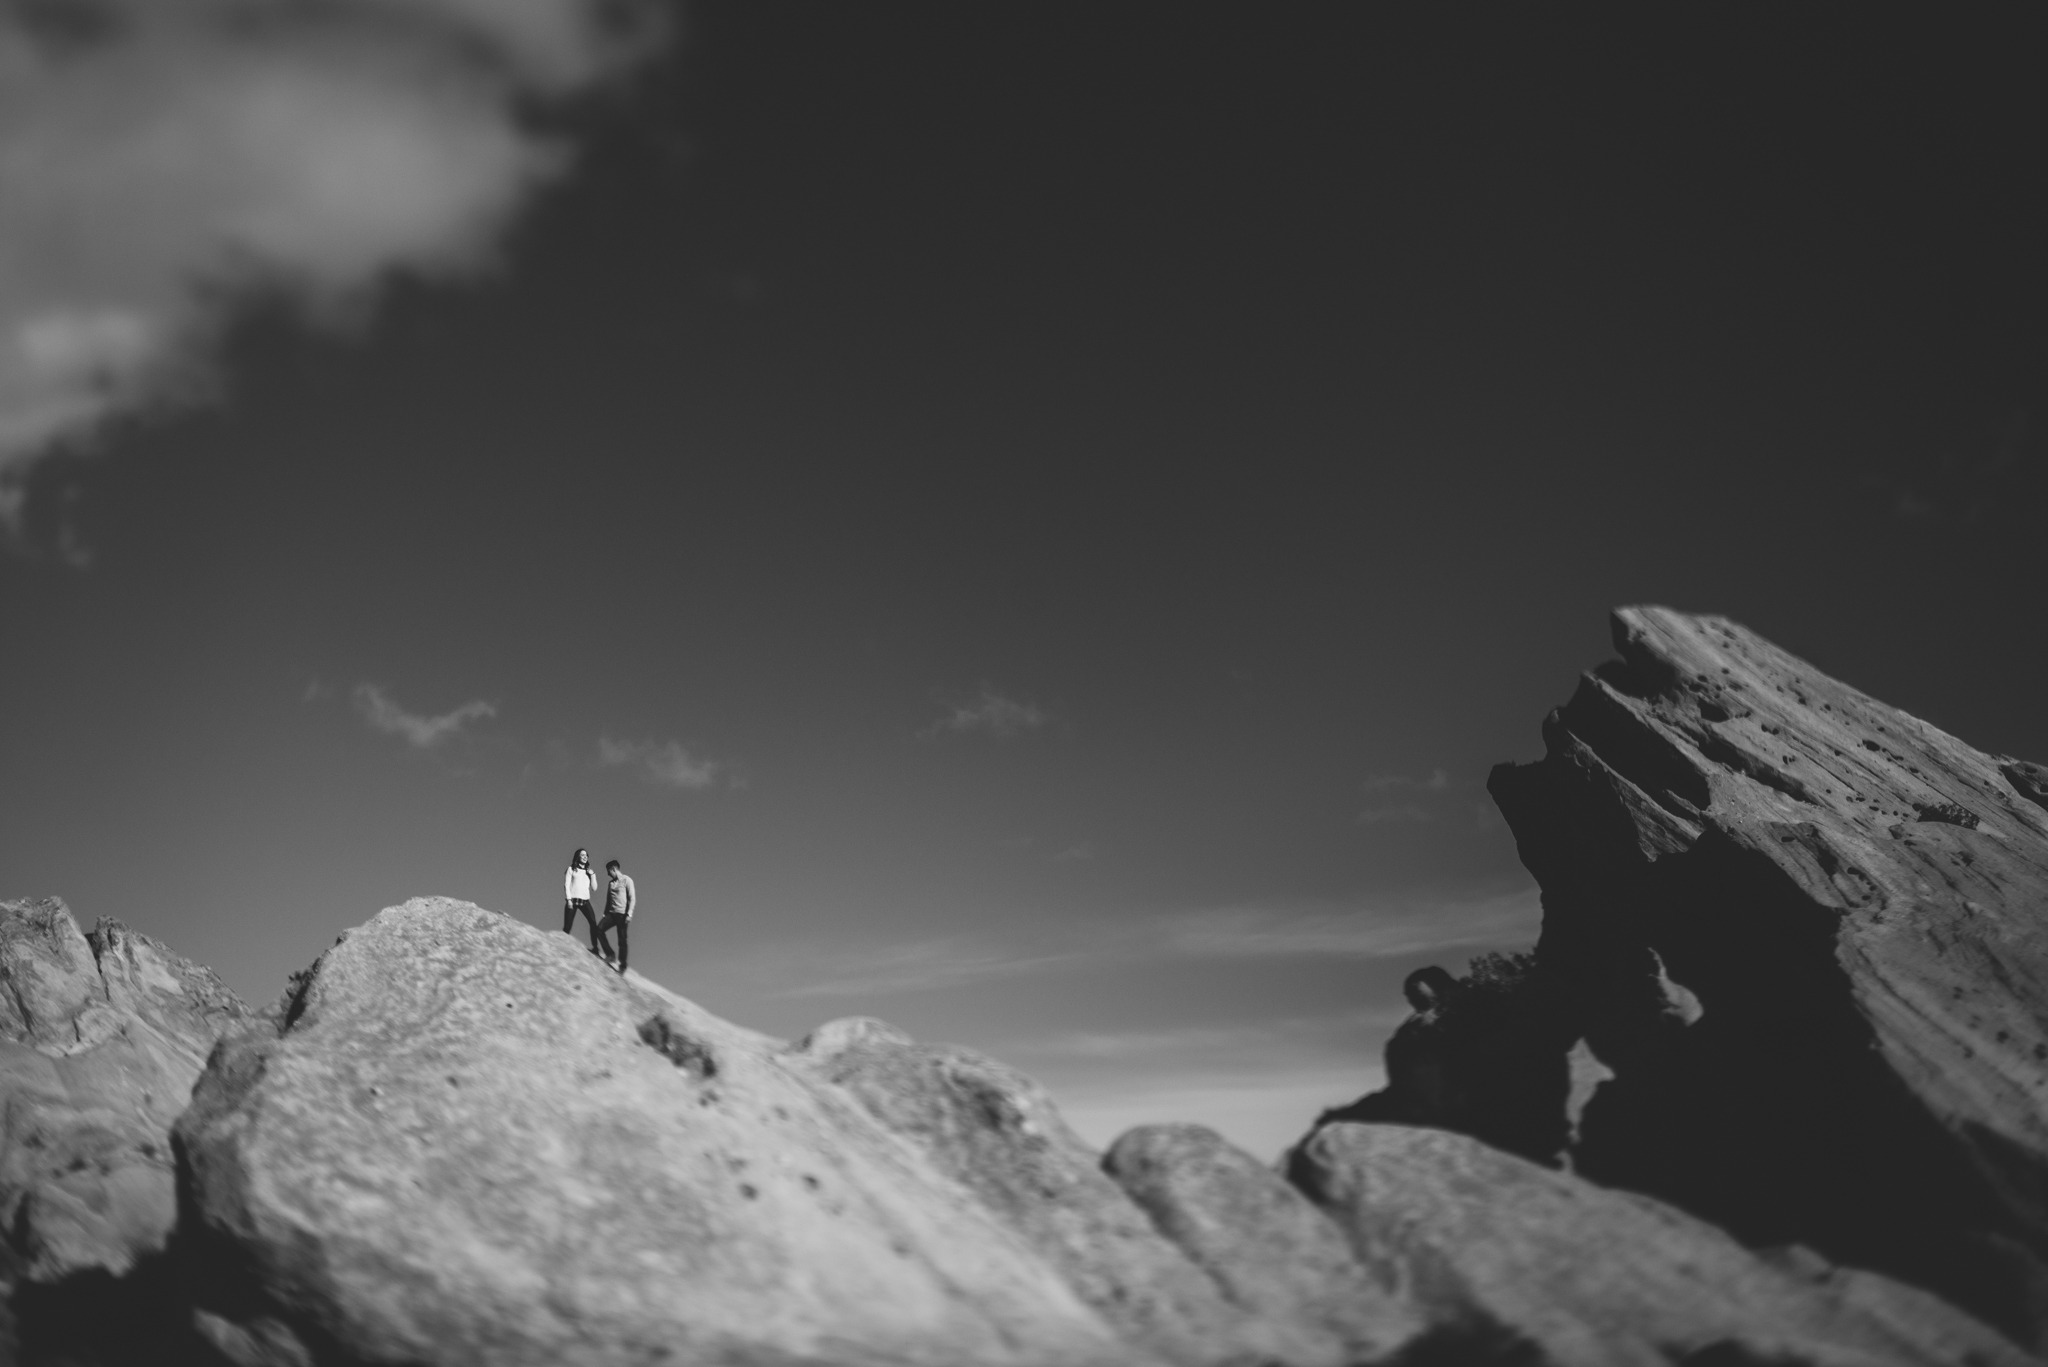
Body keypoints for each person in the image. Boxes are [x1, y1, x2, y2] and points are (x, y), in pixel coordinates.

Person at [595, 858, 636, 974]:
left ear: (614, 869)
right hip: (611, 914)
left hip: (622, 915)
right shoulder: (611, 883)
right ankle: (610, 955)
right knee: (599, 929)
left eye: (609, 871)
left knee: (622, 940)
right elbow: (608, 900)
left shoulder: (627, 880)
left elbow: (632, 898)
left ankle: (622, 966)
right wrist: (604, 913)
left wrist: (629, 914)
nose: (608, 874)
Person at [562, 848, 603, 956]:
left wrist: (593, 874)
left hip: (585, 901)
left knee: (593, 923)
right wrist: (568, 900)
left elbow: (594, 888)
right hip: (573, 900)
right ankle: (561, 946)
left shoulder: (589, 872)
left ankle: (595, 948)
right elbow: (566, 885)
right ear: (578, 857)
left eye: (586, 855)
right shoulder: (571, 869)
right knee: (567, 926)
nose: (585, 857)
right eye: (582, 855)